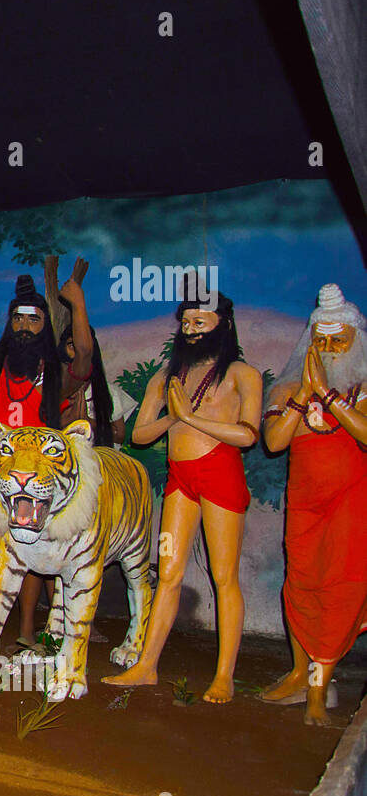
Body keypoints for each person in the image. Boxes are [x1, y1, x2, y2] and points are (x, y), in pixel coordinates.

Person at [104, 277, 262, 703]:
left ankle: (224, 676)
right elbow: (139, 434)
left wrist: (190, 418)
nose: (191, 329)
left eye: (201, 321)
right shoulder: (166, 376)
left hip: (220, 474)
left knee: (223, 576)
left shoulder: (241, 375)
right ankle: (147, 665)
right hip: (181, 481)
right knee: (168, 572)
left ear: (224, 325)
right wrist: (176, 419)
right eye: (186, 321)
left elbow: (248, 435)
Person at [0, 270, 93, 648]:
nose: (25, 326)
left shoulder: (55, 373)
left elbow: (84, 364)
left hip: (34, 481)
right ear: (9, 323)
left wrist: (77, 305)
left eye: (34, 318)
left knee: (29, 553)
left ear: (45, 325)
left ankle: (26, 630)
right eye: (18, 318)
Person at [261, 284, 367, 725]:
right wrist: (305, 394)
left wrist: (329, 396)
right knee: (300, 584)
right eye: (320, 340)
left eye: (337, 339)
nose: (328, 348)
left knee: (340, 584)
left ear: (356, 338)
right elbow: (273, 441)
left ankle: (320, 689)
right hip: (304, 505)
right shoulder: (288, 388)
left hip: (350, 503)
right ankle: (300, 672)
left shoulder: (363, 388)